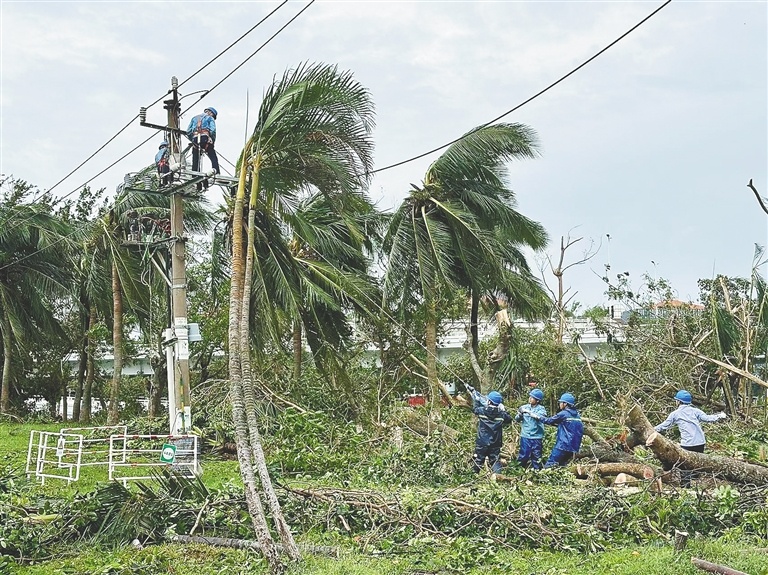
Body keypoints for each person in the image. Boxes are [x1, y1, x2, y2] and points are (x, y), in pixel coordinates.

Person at [654, 390, 726, 453]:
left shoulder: (675, 414)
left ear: (678, 401)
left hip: (688, 444)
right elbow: (708, 418)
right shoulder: (695, 411)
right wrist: (720, 416)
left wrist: (653, 429)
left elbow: (664, 425)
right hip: (700, 443)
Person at [469, 388, 513, 474]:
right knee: (495, 460)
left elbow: (475, 409)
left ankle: (473, 476)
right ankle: (498, 476)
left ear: (489, 401)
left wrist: (476, 400)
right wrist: (504, 410)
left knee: (479, 459)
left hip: (482, 441)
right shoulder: (501, 414)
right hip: (495, 442)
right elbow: (509, 419)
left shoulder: (482, 411)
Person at [536, 392, 584, 468]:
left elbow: (548, 421)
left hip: (562, 445)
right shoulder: (577, 416)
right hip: (573, 447)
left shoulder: (563, 414)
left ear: (565, 404)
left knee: (550, 464)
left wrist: (537, 417)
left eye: (561, 402)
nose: (560, 404)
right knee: (562, 465)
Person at [186, 107, 220, 187]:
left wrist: (193, 139)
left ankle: (194, 175)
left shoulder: (194, 118)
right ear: (211, 113)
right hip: (205, 137)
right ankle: (216, 172)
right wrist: (212, 140)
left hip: (195, 138)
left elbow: (188, 131)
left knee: (196, 157)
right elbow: (213, 130)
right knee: (212, 155)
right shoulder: (210, 118)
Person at [515, 388, 547, 469]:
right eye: (530, 396)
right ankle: (519, 470)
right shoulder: (524, 407)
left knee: (536, 456)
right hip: (525, 436)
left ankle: (536, 472)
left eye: (532, 397)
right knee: (524, 454)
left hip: (536, 436)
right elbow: (517, 419)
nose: (530, 398)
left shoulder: (541, 409)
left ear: (537, 400)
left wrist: (528, 412)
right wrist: (520, 414)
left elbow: (539, 417)